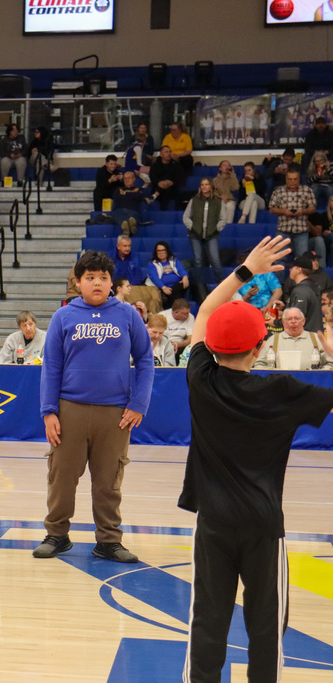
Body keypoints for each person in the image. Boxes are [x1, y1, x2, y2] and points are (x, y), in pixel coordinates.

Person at [178, 235, 333, 682]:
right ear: (260, 346)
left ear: (215, 348)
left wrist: (247, 269)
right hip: (263, 525)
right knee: (266, 625)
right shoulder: (283, 392)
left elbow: (206, 310)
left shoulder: (200, 379)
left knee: (208, 619)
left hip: (213, 522)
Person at [35, 250, 154, 563]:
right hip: (69, 409)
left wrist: (139, 402)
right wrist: (49, 411)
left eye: (103, 277)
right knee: (61, 478)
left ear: (111, 282)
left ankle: (109, 540)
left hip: (115, 414)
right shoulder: (64, 316)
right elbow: (51, 366)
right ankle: (57, 535)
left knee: (108, 481)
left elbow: (145, 359)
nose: (97, 283)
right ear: (78, 282)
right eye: (90, 278)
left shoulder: (128, 315)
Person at [254, 306, 333, 370]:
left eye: (297, 319)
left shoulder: (316, 339)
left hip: (311, 384)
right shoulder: (273, 340)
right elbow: (259, 364)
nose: (293, 321)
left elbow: (330, 364)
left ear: (303, 321)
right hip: (280, 384)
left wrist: (316, 374)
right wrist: (274, 373)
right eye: (289, 319)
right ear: (283, 322)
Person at [184, 177, 227, 288]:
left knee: (215, 259)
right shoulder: (194, 200)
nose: (204, 186)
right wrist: (192, 227)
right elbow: (186, 216)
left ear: (211, 186)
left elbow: (223, 218)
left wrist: (216, 228)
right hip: (195, 235)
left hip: (212, 235)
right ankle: (199, 284)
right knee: (198, 260)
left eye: (206, 184)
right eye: (202, 184)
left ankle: (221, 282)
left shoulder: (218, 201)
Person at [270, 170, 316, 258]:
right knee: (279, 259)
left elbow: (313, 208)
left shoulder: (307, 191)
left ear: (299, 179)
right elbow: (272, 209)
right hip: (283, 229)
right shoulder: (278, 191)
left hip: (301, 229)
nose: (293, 181)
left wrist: (302, 211)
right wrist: (283, 211)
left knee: (302, 259)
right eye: (290, 179)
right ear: (286, 179)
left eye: (295, 179)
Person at [110, 235, 161, 314]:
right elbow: (107, 274)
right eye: (125, 246)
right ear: (118, 246)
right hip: (115, 287)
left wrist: (128, 285)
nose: (127, 248)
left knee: (154, 293)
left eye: (129, 246)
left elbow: (140, 275)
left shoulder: (135, 257)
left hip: (132, 286)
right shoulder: (110, 257)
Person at [284, 254, 324, 332]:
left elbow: (295, 319)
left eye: (292, 268)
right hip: (315, 336)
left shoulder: (301, 290)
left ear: (299, 270)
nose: (289, 270)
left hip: (305, 338)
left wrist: (275, 322)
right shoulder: (314, 286)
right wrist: (288, 305)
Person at [148, 240, 190, 310]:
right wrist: (163, 287)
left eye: (163, 250)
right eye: (159, 251)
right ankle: (176, 310)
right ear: (156, 252)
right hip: (162, 288)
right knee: (176, 294)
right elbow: (154, 278)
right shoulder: (152, 264)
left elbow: (181, 270)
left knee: (180, 286)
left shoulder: (173, 260)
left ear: (167, 251)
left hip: (177, 285)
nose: (161, 253)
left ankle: (172, 308)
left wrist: (185, 277)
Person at [111, 171, 154, 236]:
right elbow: (117, 197)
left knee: (133, 216)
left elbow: (141, 196)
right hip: (119, 210)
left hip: (133, 210)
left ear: (134, 179)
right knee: (118, 215)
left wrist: (126, 194)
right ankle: (128, 226)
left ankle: (129, 227)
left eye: (129, 178)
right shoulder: (118, 189)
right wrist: (133, 195)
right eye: (125, 178)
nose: (127, 180)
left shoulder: (139, 190)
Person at [149, 146, 186, 210]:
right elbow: (153, 177)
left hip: (172, 189)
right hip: (158, 187)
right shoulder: (155, 165)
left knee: (167, 181)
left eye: (170, 152)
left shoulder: (176, 165)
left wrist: (172, 182)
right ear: (161, 154)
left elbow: (180, 177)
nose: (169, 153)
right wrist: (159, 183)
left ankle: (156, 194)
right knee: (165, 181)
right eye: (166, 152)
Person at [212, 160, 240, 226]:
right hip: (218, 199)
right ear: (220, 168)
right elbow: (213, 192)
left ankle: (228, 226)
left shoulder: (232, 178)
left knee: (230, 206)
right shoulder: (215, 180)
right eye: (224, 165)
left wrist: (232, 174)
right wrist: (220, 197)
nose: (226, 167)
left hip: (230, 199)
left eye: (228, 165)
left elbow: (235, 187)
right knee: (220, 204)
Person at [306, 149, 333, 214]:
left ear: (324, 160)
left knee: (330, 192)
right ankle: (311, 213)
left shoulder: (331, 165)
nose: (319, 163)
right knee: (313, 192)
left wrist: (328, 170)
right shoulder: (312, 167)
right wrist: (317, 177)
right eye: (317, 161)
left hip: (328, 185)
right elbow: (308, 181)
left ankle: (330, 213)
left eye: (320, 160)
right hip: (316, 185)